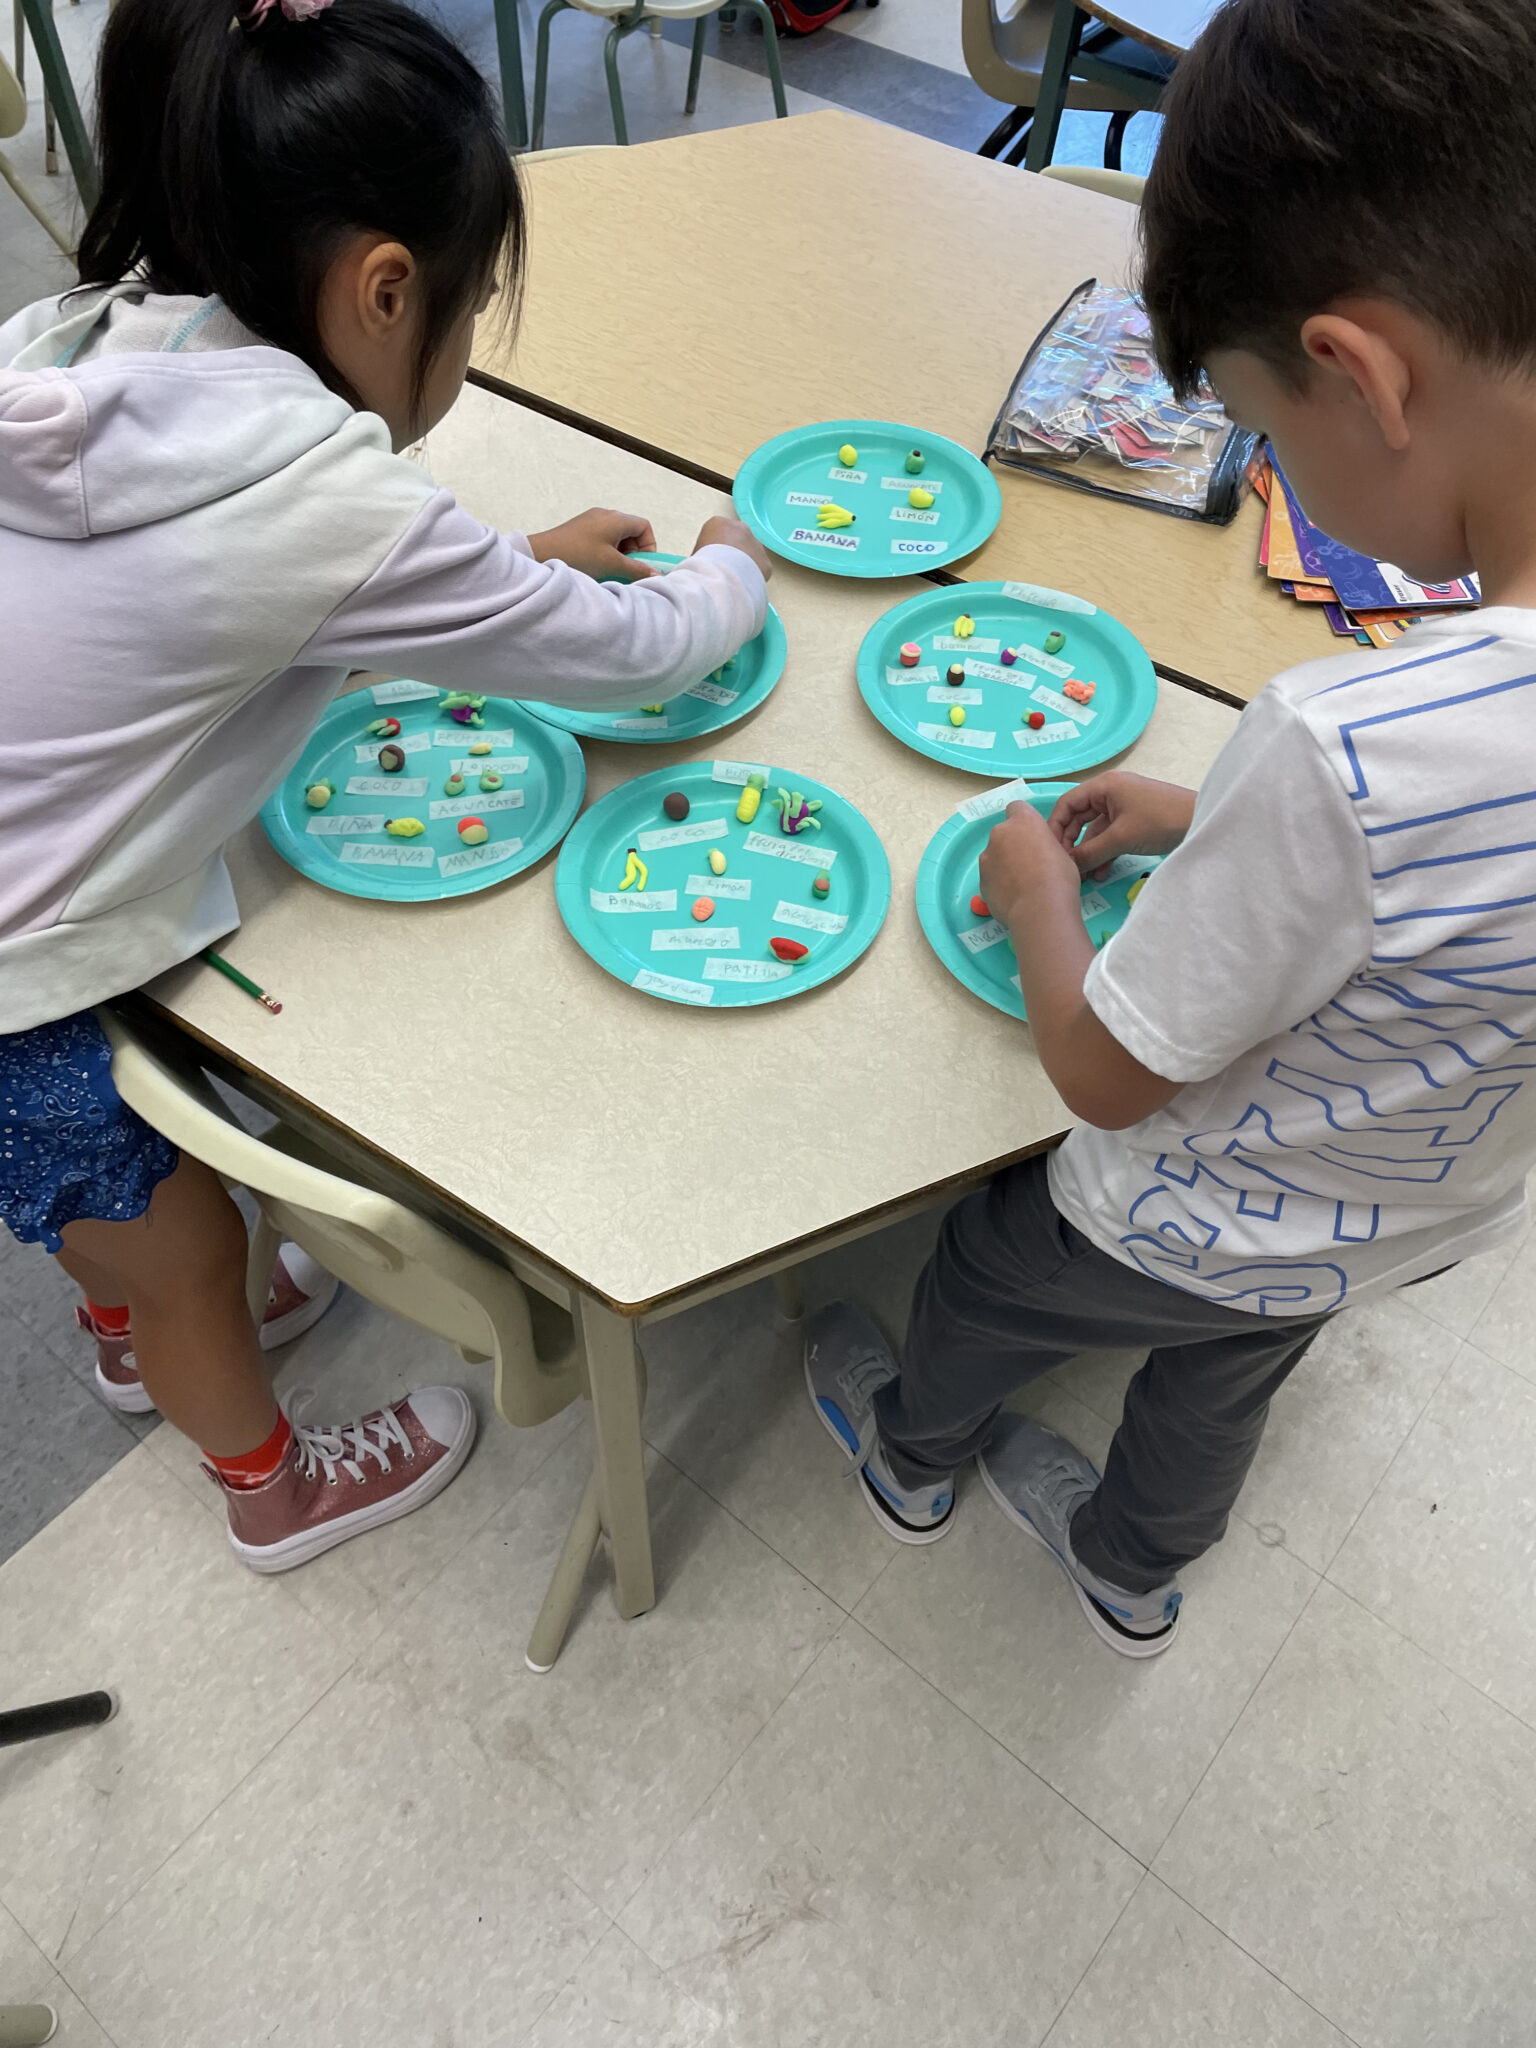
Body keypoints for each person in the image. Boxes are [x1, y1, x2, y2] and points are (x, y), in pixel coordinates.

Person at [0, 0, 772, 1573]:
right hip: (17, 972)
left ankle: (127, 1298)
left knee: (119, 1205)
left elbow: (222, 610)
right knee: (192, 1244)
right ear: (383, 287)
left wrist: (500, 568)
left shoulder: (101, 336)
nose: (465, 355)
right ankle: (260, 1476)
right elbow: (638, 664)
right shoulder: (314, 491)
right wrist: (733, 568)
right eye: (473, 311)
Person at [808, 0, 1536, 1655]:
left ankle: (915, 1459)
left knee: (991, 1277)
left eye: (1263, 435)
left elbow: (1107, 1073)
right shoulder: (1392, 765)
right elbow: (1468, 863)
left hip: (1192, 1203)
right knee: (1235, 1367)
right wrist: (1215, 821)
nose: (1275, 471)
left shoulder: (1341, 742)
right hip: (1405, 1218)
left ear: (1355, 371)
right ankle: (1133, 1565)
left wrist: (1029, 888)